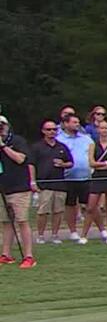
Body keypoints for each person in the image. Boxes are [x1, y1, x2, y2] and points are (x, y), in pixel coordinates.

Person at [0, 115, 37, 268]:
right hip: (3, 188)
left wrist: (3, 146)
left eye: (2, 126)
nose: (0, 129)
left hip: (19, 188)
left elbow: (21, 159)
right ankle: (6, 254)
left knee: (22, 221)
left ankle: (29, 256)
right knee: (6, 222)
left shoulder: (17, 141)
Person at [57, 111, 95, 244]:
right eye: (74, 122)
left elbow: (92, 154)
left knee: (90, 205)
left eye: (78, 122)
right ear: (65, 124)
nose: (77, 124)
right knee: (70, 205)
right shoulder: (59, 139)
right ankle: (73, 231)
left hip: (86, 177)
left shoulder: (86, 138)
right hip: (68, 178)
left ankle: (89, 231)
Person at [32, 119, 71, 243]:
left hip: (60, 184)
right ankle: (41, 235)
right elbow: (31, 165)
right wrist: (33, 182)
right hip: (44, 184)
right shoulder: (37, 147)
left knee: (58, 211)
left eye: (54, 129)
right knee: (43, 211)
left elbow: (70, 162)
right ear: (43, 131)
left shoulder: (62, 147)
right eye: (49, 129)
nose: (52, 132)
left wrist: (63, 164)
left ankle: (55, 235)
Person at [85, 116, 107, 244]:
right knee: (91, 207)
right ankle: (84, 235)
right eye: (101, 128)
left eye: (106, 128)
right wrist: (106, 163)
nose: (104, 130)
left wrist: (103, 165)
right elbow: (91, 163)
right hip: (97, 178)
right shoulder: (93, 145)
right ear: (98, 130)